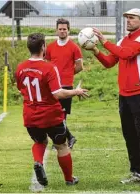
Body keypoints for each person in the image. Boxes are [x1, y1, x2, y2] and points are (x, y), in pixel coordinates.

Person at [86, 8, 140, 186]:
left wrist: (104, 41)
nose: (128, 21)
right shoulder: (123, 40)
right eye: (127, 18)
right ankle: (137, 172)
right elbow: (110, 62)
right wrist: (95, 49)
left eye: (132, 18)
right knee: (130, 135)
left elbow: (125, 54)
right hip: (124, 95)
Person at [15, 33, 88, 186]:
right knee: (61, 145)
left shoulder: (20, 68)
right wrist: (76, 91)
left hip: (30, 115)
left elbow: (21, 89)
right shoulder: (49, 67)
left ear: (29, 48)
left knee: (40, 141)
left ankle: (38, 162)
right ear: (43, 47)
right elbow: (58, 93)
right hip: (50, 114)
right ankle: (69, 179)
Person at [45, 18, 83, 149]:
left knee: (62, 115)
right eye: (60, 29)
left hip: (66, 85)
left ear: (68, 30)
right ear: (56, 30)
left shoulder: (74, 47)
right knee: (52, 114)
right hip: (53, 86)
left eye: (64, 29)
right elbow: (47, 65)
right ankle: (69, 137)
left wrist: (67, 74)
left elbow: (79, 66)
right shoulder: (49, 47)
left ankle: (61, 141)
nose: (62, 31)